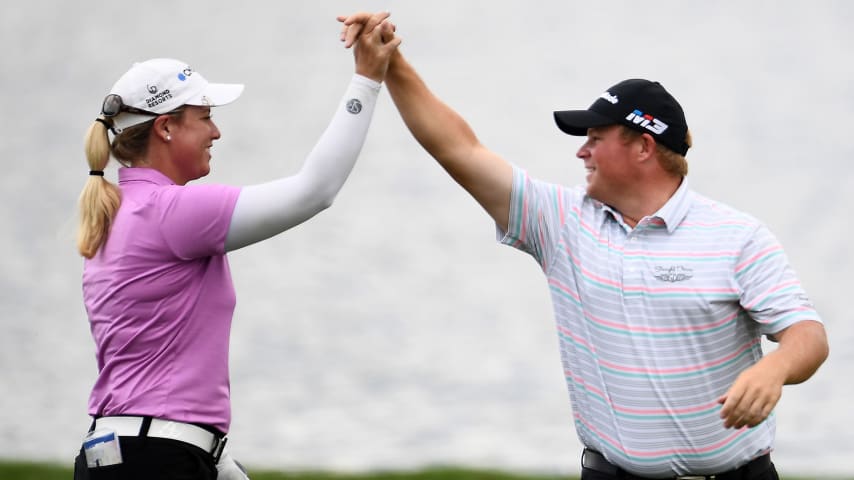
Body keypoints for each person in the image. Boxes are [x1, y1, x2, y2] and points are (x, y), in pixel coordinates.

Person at [338, 13, 829, 480]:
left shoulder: (737, 236)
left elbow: (807, 335)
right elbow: (459, 149)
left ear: (644, 146)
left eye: (595, 137)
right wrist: (393, 65)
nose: (581, 151)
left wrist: (774, 370)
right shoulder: (561, 221)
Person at [72, 14, 400, 480]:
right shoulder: (170, 212)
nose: (216, 132)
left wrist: (219, 463)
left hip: (118, 451)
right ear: (165, 127)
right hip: (156, 456)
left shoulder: (116, 212)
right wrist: (366, 81)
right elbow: (315, 191)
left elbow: (154, 379)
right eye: (205, 117)